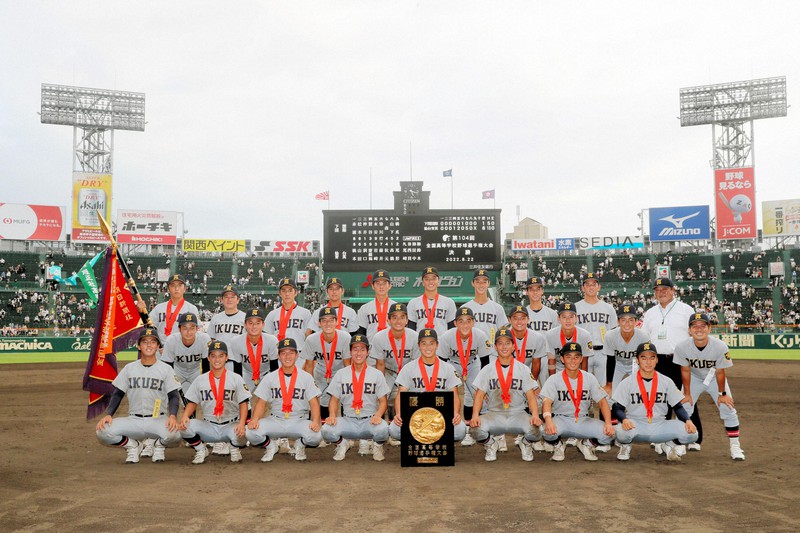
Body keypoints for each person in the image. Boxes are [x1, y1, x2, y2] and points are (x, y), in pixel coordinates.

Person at [95, 328, 182, 464]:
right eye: (145, 342)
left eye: (153, 342)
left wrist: (172, 415)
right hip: (134, 420)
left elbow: (173, 396)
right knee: (102, 431)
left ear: (158, 346)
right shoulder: (130, 368)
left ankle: (158, 445)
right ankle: (132, 445)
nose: (149, 345)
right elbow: (118, 393)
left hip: (157, 419)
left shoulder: (166, 369)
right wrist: (109, 414)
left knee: (176, 434)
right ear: (139, 346)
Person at [641, 277, 702, 454]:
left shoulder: (685, 310)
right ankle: (661, 436)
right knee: (659, 398)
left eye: (665, 289)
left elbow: (694, 334)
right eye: (658, 289)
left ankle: (694, 437)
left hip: (680, 359)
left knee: (686, 397)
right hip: (657, 360)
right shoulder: (651, 312)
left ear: (673, 290)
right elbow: (645, 337)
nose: (661, 292)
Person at [674, 313, 745, 461]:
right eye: (695, 326)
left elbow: (720, 372)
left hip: (714, 378)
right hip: (693, 378)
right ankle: (681, 442)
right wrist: (686, 393)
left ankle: (735, 446)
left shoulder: (720, 346)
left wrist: (722, 393)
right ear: (689, 330)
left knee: (727, 407)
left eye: (702, 325)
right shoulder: (682, 347)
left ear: (709, 328)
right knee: (684, 407)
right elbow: (685, 370)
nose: (699, 329)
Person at [612, 342, 699, 462]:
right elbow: (618, 408)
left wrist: (688, 421)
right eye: (644, 358)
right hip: (636, 425)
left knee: (692, 434)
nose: (648, 362)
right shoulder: (627, 382)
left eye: (652, 357)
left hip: (660, 425)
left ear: (657, 360)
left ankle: (668, 443)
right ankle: (625, 446)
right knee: (620, 432)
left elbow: (678, 407)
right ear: (637, 360)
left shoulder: (666, 381)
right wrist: (624, 419)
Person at [469, 328, 543, 462]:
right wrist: (475, 416)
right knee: (474, 429)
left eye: (508, 343)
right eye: (500, 343)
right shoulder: (488, 369)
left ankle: (525, 444)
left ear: (514, 346)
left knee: (538, 430)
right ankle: (491, 444)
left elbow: (531, 396)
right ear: (495, 347)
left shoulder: (523, 369)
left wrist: (535, 415)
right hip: (494, 414)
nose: (504, 346)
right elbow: (479, 395)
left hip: (518, 413)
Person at [246, 338, 322, 462]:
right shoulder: (270, 377)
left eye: (291, 352)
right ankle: (271, 446)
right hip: (276, 419)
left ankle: (300, 445)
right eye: (283, 353)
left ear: (297, 355)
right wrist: (254, 420)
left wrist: (315, 421)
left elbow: (314, 403)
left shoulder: (306, 377)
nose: (287, 356)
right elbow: (261, 403)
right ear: (279, 356)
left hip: (298, 420)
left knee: (316, 436)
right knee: (251, 432)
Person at [540, 343, 615, 462]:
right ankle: (558, 445)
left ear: (581, 359)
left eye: (576, 357)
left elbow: (602, 401)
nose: (573, 360)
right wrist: (548, 421)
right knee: (545, 431)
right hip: (561, 419)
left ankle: (587, 444)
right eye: (568, 356)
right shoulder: (554, 378)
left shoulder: (589, 378)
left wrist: (608, 423)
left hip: (583, 419)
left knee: (610, 434)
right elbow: (546, 402)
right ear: (562, 359)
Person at [389, 328, 467, 443]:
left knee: (460, 430)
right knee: (394, 430)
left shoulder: (448, 368)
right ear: (419, 346)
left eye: (431, 343)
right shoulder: (409, 368)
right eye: (424, 343)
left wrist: (455, 413)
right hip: (415, 415)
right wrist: (399, 414)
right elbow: (401, 394)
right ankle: (418, 441)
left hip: (441, 415)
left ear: (437, 345)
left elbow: (454, 395)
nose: (428, 347)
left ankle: (438, 441)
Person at [179, 340, 250, 464]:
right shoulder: (200, 379)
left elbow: (243, 403)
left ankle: (234, 447)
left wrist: (242, 423)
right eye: (213, 356)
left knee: (246, 433)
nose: (217, 359)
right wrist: (185, 416)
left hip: (230, 425)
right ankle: (201, 449)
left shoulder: (236, 378)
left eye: (221, 356)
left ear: (226, 358)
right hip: (209, 426)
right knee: (184, 427)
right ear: (208, 358)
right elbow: (193, 402)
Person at [321, 334, 391, 461]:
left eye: (362, 349)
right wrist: (332, 414)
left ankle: (377, 445)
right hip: (348, 421)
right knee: (326, 430)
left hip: (369, 421)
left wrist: (378, 415)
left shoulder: (376, 374)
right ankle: (342, 444)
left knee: (384, 429)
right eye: (355, 349)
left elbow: (383, 401)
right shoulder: (341, 374)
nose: (359, 353)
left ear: (368, 352)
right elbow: (334, 399)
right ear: (350, 352)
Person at [438, 307, 493, 447]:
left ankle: (478, 430)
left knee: (477, 394)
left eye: (468, 321)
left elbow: (485, 362)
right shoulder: (446, 337)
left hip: (473, 363)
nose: (465, 325)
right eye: (461, 321)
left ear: (473, 322)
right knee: (446, 395)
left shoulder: (480, 335)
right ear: (455, 323)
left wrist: (482, 385)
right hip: (452, 364)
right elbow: (442, 363)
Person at [370, 303, 420, 436]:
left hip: (408, 372)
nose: (398, 321)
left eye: (402, 317)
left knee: (412, 397)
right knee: (380, 396)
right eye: (395, 317)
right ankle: (380, 430)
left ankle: (407, 427)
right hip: (388, 371)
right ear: (388, 320)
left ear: (407, 320)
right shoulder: (379, 337)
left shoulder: (414, 336)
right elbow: (380, 364)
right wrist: (381, 385)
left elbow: (416, 364)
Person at [301, 306, 352, 420]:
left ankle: (346, 426)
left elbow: (347, 364)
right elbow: (308, 365)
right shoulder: (311, 339)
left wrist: (347, 382)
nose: (328, 323)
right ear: (319, 323)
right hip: (320, 372)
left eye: (331, 320)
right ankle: (323, 426)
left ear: (337, 322)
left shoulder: (345, 337)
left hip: (340, 372)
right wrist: (311, 384)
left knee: (346, 399)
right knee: (321, 401)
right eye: (324, 320)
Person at [575, 273, 617, 387]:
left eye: (594, 284)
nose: (591, 287)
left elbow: (614, 332)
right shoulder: (576, 308)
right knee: (582, 385)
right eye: (587, 284)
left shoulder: (608, 308)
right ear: (582, 288)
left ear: (599, 287)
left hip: (603, 352)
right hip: (583, 352)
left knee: (604, 387)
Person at [160, 312, 210, 400]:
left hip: (195, 371)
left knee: (195, 399)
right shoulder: (171, 340)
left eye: (192, 328)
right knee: (170, 397)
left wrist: (205, 383)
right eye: (185, 328)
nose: (188, 332)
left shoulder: (204, 339)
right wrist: (172, 384)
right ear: (179, 329)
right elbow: (168, 366)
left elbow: (206, 364)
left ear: (197, 329)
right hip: (177, 371)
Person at [602, 304, 651, 395]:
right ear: (618, 321)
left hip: (636, 364)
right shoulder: (610, 335)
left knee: (640, 393)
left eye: (631, 320)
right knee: (608, 395)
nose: (627, 324)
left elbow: (645, 360)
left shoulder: (643, 336)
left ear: (636, 321)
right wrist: (609, 384)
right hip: (617, 364)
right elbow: (610, 360)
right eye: (623, 320)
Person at [227, 308, 279, 392]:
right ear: (245, 325)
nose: (254, 326)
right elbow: (237, 368)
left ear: (263, 325)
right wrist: (240, 388)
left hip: (267, 373)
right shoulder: (236, 341)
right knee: (239, 397)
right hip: (247, 373)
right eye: (250, 323)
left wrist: (274, 386)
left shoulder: (272, 340)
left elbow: (274, 367)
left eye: (258, 323)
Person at [149, 274, 200, 346]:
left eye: (179, 285)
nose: (176, 288)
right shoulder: (158, 308)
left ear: (185, 288)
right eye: (173, 285)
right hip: (161, 350)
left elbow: (197, 331)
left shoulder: (191, 309)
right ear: (168, 289)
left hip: (181, 350)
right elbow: (149, 327)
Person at [543, 302, 593, 376]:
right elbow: (551, 361)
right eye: (564, 317)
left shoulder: (585, 335)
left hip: (577, 369)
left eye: (571, 317)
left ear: (576, 318)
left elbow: (584, 362)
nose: (568, 320)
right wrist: (553, 380)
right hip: (559, 369)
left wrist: (583, 380)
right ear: (558, 318)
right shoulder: (550, 335)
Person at [406, 266, 457, 336]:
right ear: (422, 282)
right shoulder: (413, 303)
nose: (430, 281)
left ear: (438, 281)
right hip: (421, 344)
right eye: (427, 279)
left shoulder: (449, 302)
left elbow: (452, 329)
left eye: (433, 278)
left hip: (442, 344)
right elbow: (411, 330)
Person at [264, 277, 312, 350]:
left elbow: (309, 337)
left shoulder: (305, 313)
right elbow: (267, 338)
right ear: (280, 293)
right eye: (284, 291)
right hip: (278, 354)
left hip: (299, 355)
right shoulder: (272, 314)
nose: (287, 294)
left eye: (290, 290)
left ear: (295, 292)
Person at [461, 269, 508, 342]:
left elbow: (502, 334)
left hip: (492, 351)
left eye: (484, 282)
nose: (481, 285)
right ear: (473, 283)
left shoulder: (498, 308)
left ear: (488, 283)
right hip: (471, 350)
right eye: (478, 282)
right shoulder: (465, 308)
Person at [356, 269, 397, 341]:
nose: (381, 286)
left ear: (390, 286)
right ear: (372, 286)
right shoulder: (365, 308)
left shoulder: (396, 307)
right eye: (378, 283)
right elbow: (362, 332)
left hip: (392, 347)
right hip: (372, 348)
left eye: (384, 283)